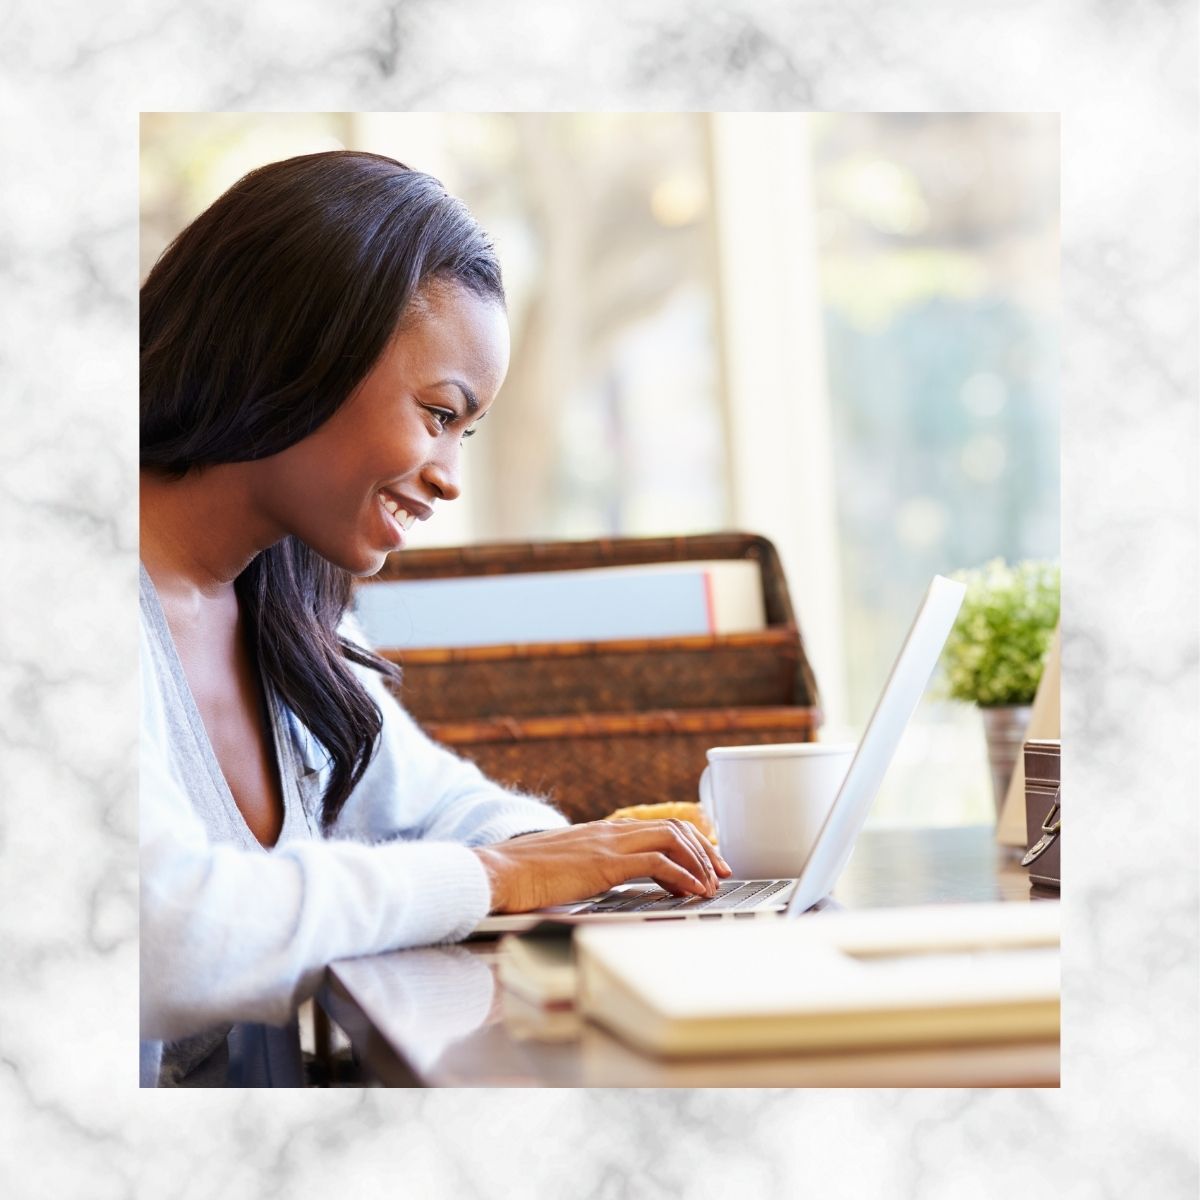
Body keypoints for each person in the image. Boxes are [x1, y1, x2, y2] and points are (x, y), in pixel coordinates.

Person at [139, 150, 729, 1086]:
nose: (449, 475)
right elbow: (165, 937)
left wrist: (567, 856)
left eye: (468, 431)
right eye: (437, 412)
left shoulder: (288, 605)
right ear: (297, 349)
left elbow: (440, 808)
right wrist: (497, 879)